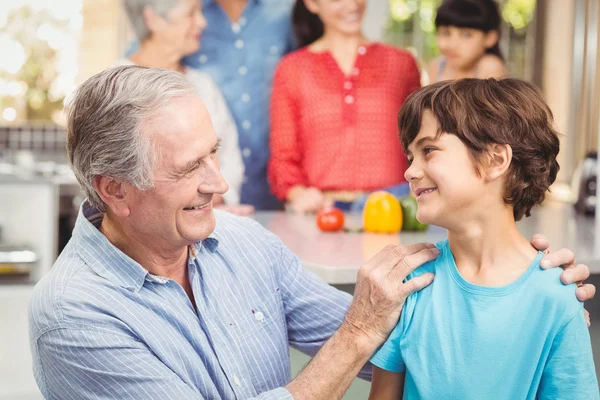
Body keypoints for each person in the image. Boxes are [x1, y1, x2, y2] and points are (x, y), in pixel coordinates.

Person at [28, 66, 595, 399]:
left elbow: (400, 348)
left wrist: (521, 297)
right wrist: (358, 334)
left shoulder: (242, 244)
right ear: (115, 191)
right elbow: (360, 336)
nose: (220, 184)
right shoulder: (74, 316)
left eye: (214, 155)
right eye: (188, 169)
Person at [369, 79, 599, 399]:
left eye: (429, 150)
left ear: (495, 160)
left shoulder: (556, 299)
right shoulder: (411, 283)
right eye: (411, 157)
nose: (410, 171)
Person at [268, 0, 421, 214]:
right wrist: (299, 194)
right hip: (324, 212)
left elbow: (419, 141)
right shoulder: (291, 69)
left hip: (394, 209)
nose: (351, 4)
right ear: (312, 4)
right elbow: (283, 157)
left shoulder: (402, 64)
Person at [122, 0, 253, 216]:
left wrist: (214, 198)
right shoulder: (116, 88)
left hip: (213, 217)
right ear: (152, 18)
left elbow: (230, 158)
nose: (202, 23)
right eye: (190, 14)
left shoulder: (203, 84)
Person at [182, 0, 296, 210]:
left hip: (273, 190)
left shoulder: (283, 13)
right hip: (210, 196)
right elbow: (148, 56)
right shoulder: (189, 16)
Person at [427, 0, 506, 83]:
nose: (452, 45)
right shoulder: (436, 67)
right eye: (446, 33)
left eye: (466, 35)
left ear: (490, 38)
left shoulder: (490, 67)